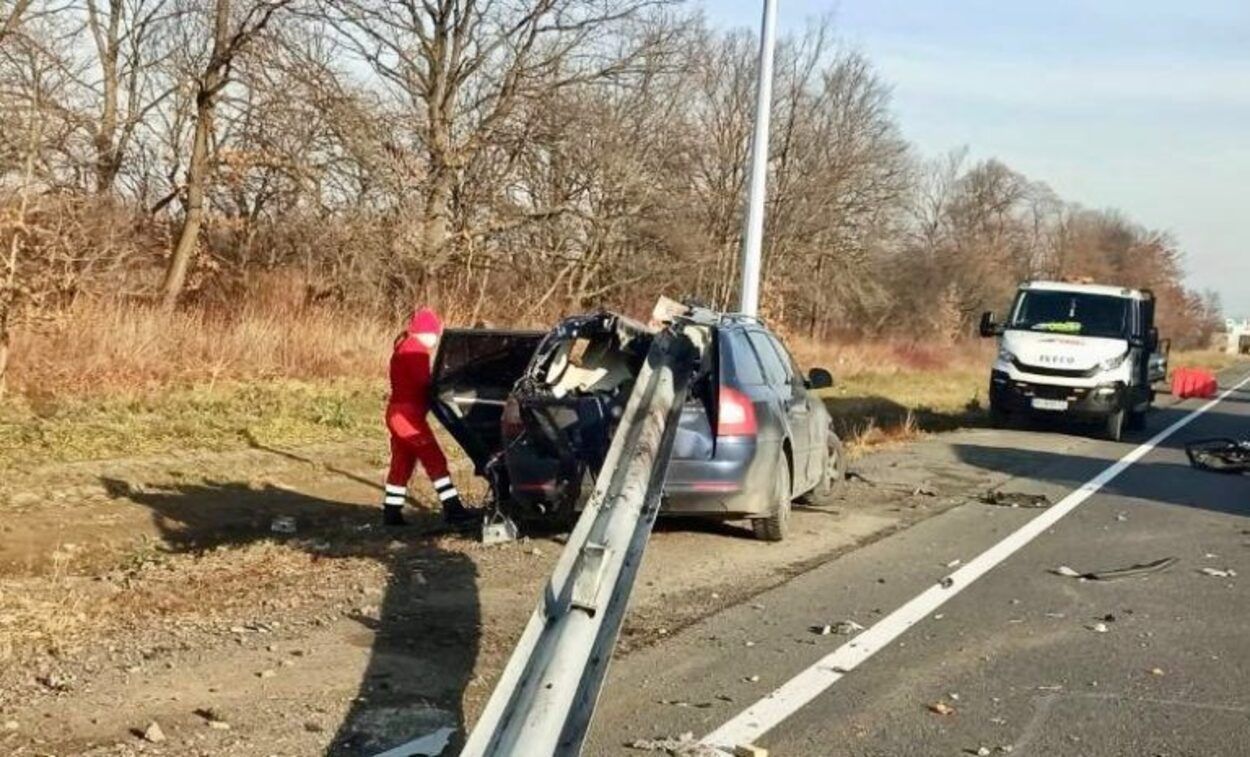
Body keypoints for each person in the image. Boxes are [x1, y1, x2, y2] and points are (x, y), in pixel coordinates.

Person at [382, 307, 478, 527]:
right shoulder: (416, 349)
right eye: (435, 333)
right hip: (408, 416)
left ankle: (391, 512)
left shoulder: (404, 346)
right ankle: (453, 508)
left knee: (402, 462)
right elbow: (423, 382)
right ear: (427, 331)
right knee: (434, 458)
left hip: (398, 414)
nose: (436, 339)